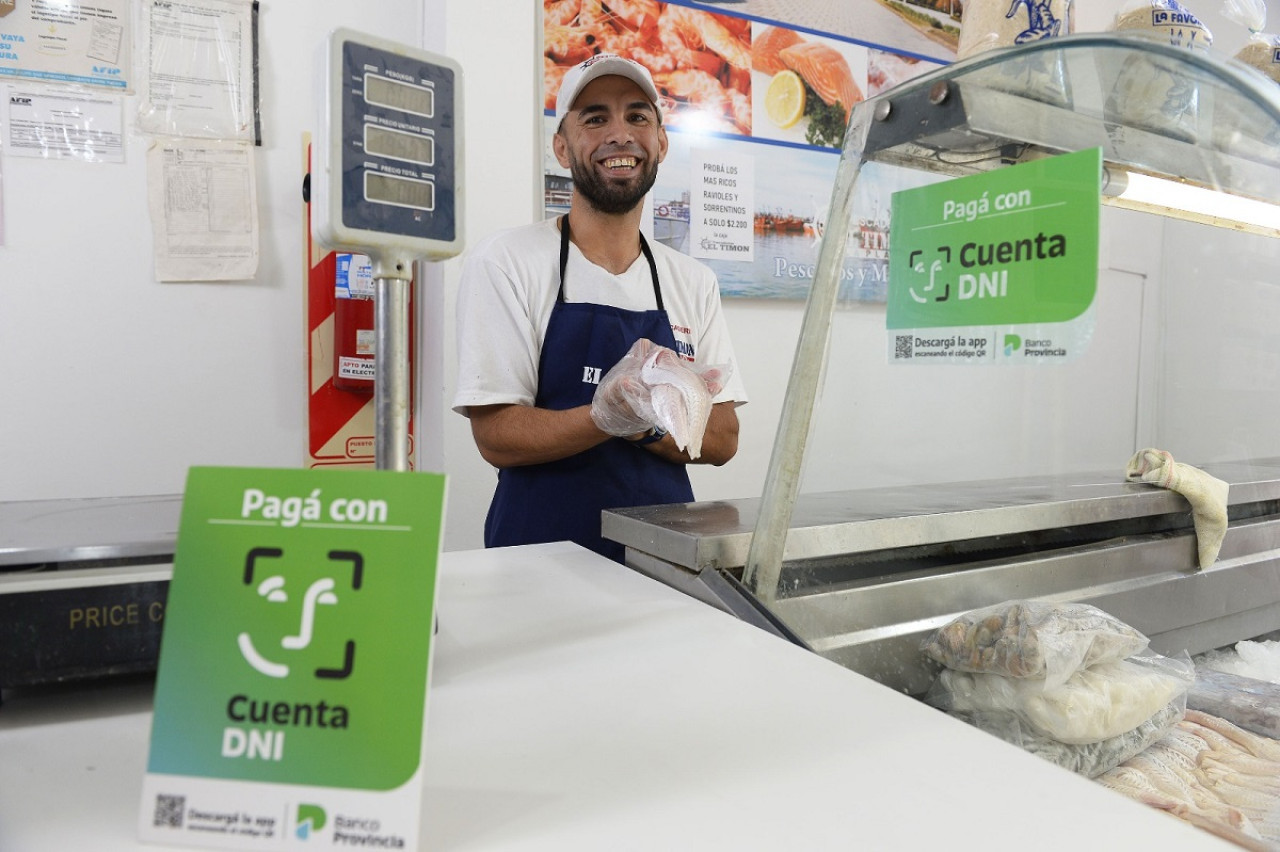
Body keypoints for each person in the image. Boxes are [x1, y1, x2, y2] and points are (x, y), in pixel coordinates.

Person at [452, 53, 748, 562]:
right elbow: (497, 434)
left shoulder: (692, 281)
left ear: (661, 142)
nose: (620, 134)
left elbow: (721, 439)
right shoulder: (507, 261)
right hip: (536, 559)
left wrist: (641, 422)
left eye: (637, 116)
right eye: (595, 118)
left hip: (665, 562)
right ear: (562, 148)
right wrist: (604, 414)